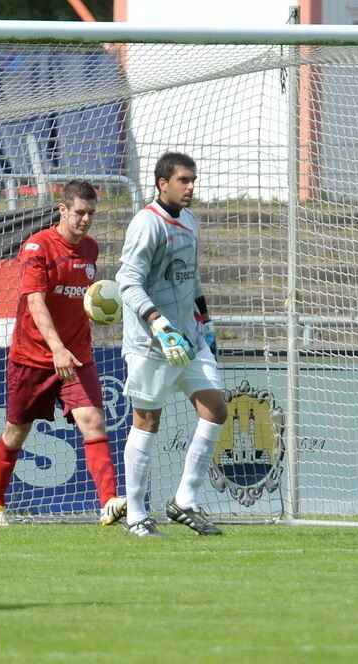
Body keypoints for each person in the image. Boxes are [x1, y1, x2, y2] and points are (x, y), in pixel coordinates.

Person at [0, 179, 127, 527]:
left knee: (92, 420)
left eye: (91, 214)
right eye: (79, 212)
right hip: (33, 357)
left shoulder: (90, 250)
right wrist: (56, 349)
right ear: (62, 209)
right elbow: (35, 302)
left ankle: (108, 502)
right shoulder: (37, 247)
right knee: (16, 431)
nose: (85, 220)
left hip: (76, 356)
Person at [115, 152, 227, 537]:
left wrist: (206, 325)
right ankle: (136, 515)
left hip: (189, 340)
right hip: (152, 343)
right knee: (147, 421)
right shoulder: (146, 224)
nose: (191, 186)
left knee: (216, 409)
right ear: (163, 183)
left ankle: (184, 501)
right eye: (184, 180)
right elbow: (127, 283)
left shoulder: (191, 221)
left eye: (193, 180)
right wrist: (159, 324)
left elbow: (191, 282)